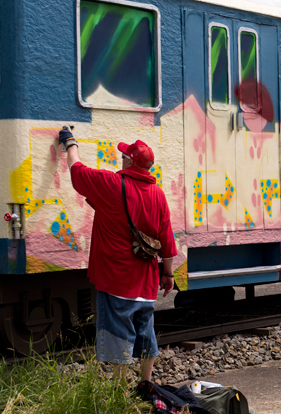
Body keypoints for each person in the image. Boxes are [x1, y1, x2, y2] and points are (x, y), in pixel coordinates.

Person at [59, 127, 177, 384]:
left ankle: (119, 391)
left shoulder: (113, 184)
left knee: (117, 335)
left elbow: (77, 172)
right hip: (146, 283)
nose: (120, 157)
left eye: (124, 154)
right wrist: (168, 274)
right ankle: (146, 384)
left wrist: (70, 144)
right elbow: (167, 238)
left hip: (116, 280)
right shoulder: (158, 194)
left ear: (130, 161)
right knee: (147, 334)